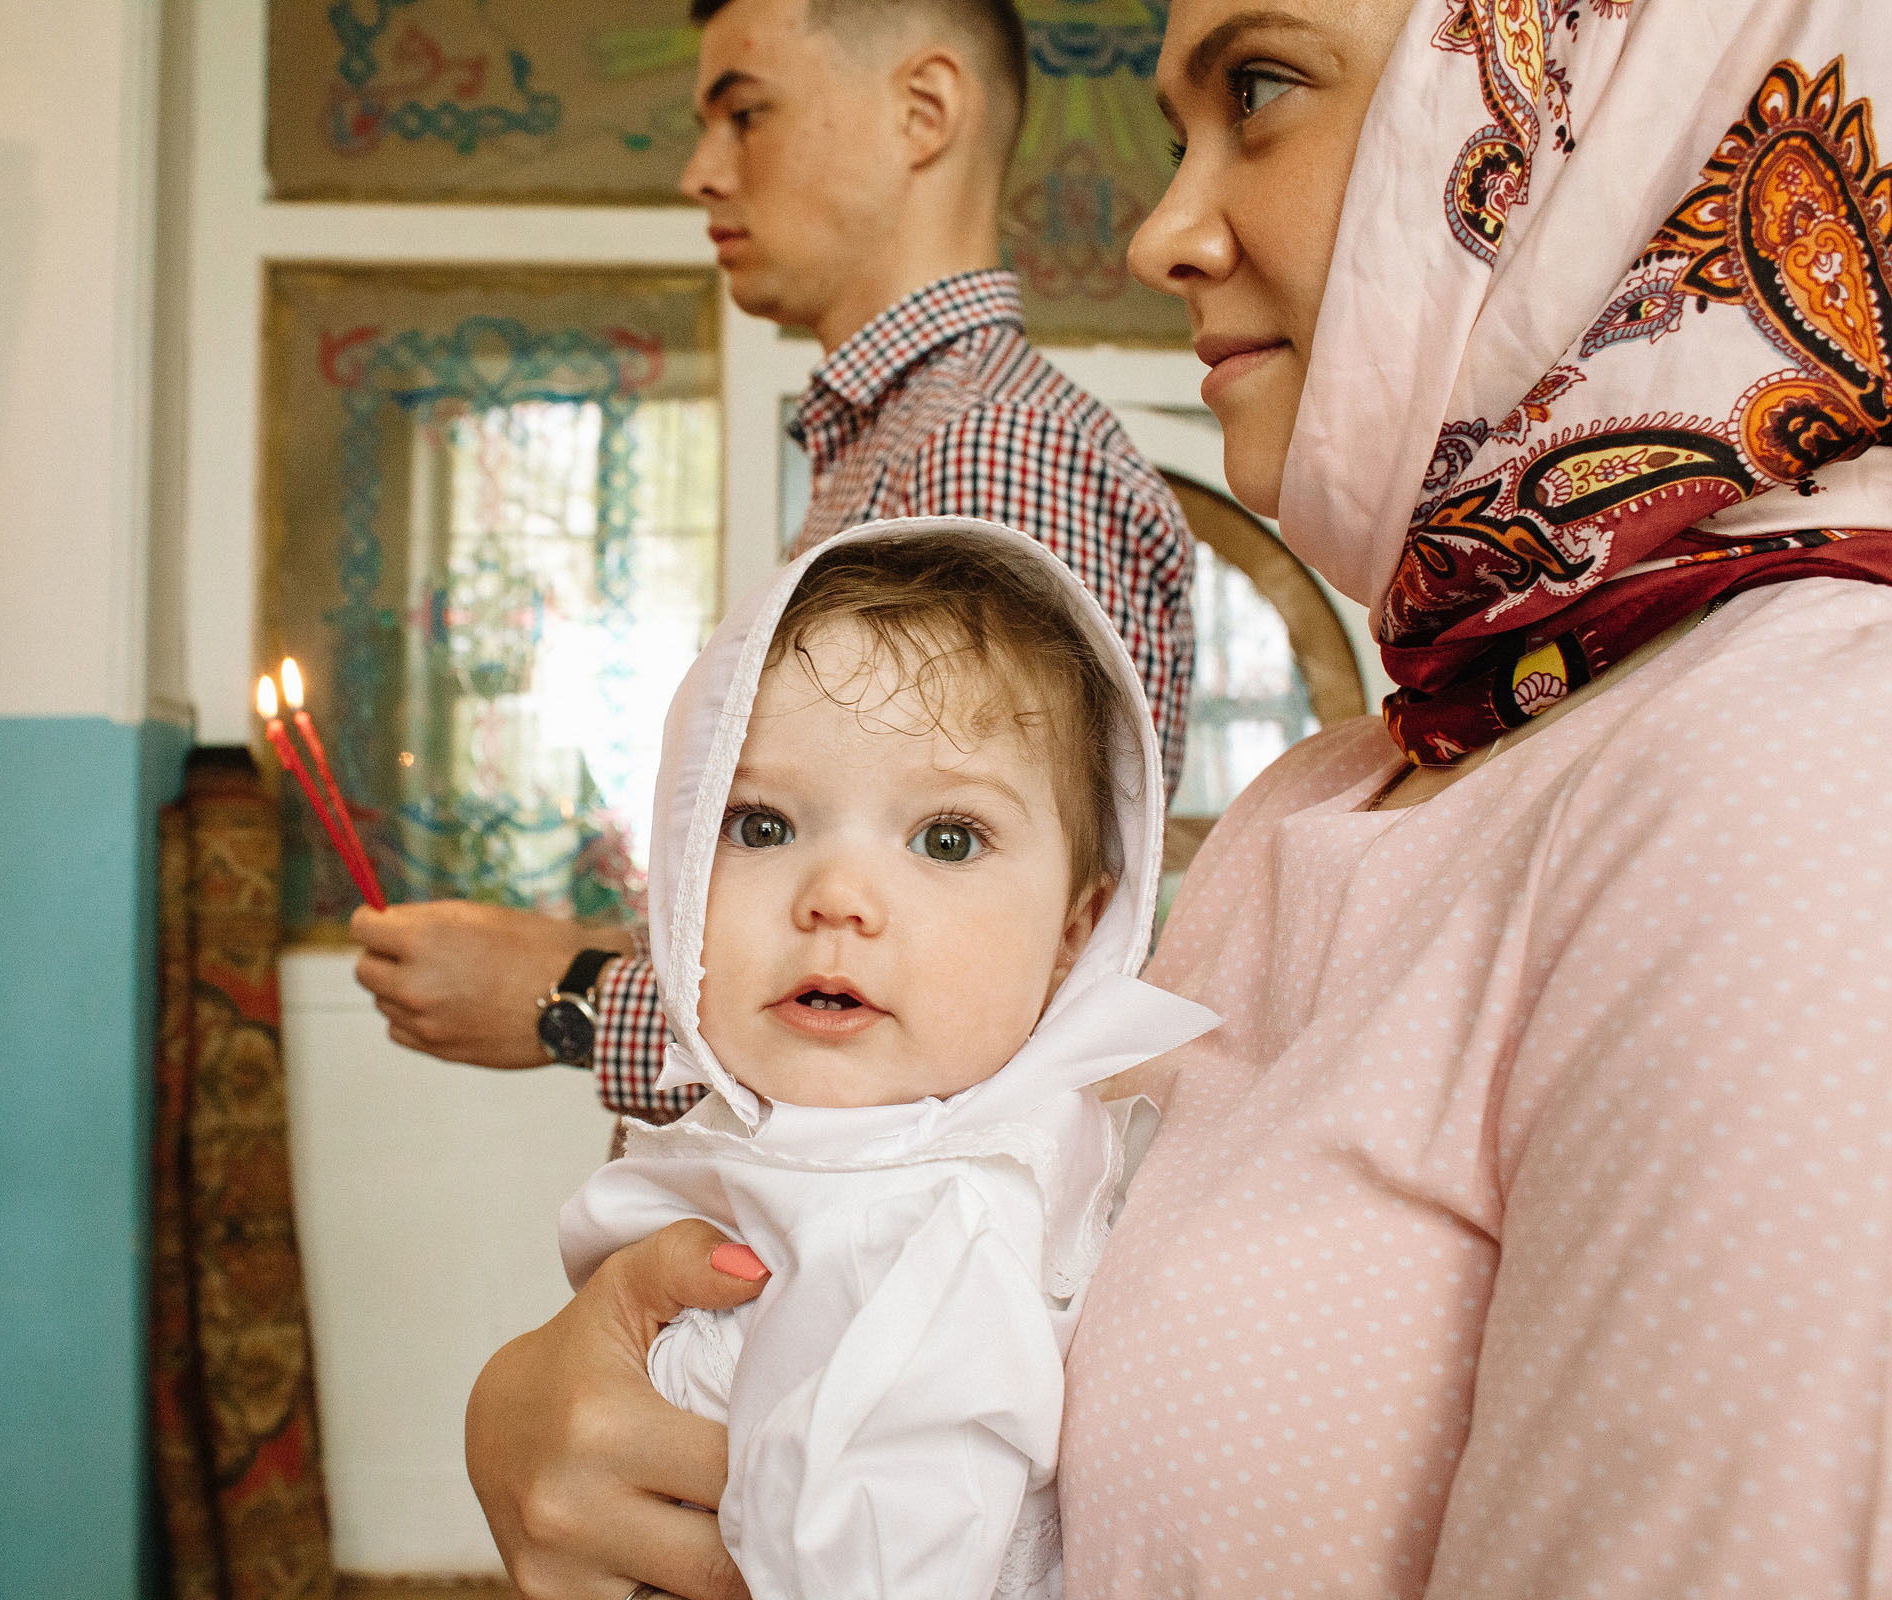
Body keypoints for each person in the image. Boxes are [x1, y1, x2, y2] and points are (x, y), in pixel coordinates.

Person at [463, 1, 1892, 1596]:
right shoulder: (1340, 787)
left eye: (1261, 88)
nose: (1157, 235)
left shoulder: (1797, 786)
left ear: (1596, 105)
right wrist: (558, 1422)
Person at [351, 0, 1194, 1128]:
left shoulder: (989, 445)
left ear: (924, 110)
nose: (701, 172)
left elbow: (971, 1030)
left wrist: (573, 999)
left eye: (745, 114)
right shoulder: (907, 440)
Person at [560, 523, 1215, 1599]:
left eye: (947, 839)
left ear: (1074, 932)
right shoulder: (795, 1147)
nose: (837, 898)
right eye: (760, 826)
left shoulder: (937, 1231)